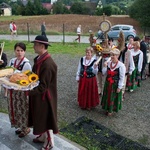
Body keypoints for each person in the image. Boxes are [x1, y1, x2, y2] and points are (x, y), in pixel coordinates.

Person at [28, 35, 58, 150]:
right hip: (39, 95)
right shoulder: (39, 59)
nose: (33, 47)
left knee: (47, 118)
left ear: (41, 46)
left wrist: (28, 92)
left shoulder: (48, 64)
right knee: (40, 116)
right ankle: (43, 136)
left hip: (46, 97)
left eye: (35, 44)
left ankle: (49, 142)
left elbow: (44, 86)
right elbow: (35, 76)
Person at [7, 42, 32, 137]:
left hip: (21, 92)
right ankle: (19, 126)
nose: (19, 52)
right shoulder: (12, 61)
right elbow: (9, 74)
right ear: (14, 51)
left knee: (23, 110)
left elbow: (28, 80)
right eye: (17, 50)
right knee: (15, 109)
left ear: (24, 52)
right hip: (12, 91)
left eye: (22, 50)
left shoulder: (26, 64)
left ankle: (25, 128)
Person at [101, 48, 126, 116]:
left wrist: (119, 87)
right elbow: (104, 73)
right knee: (107, 96)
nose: (112, 56)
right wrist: (104, 66)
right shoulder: (108, 63)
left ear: (118, 55)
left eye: (114, 55)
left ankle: (111, 110)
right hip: (108, 83)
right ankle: (106, 108)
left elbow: (122, 78)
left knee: (113, 97)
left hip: (115, 84)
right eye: (111, 55)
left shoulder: (121, 66)